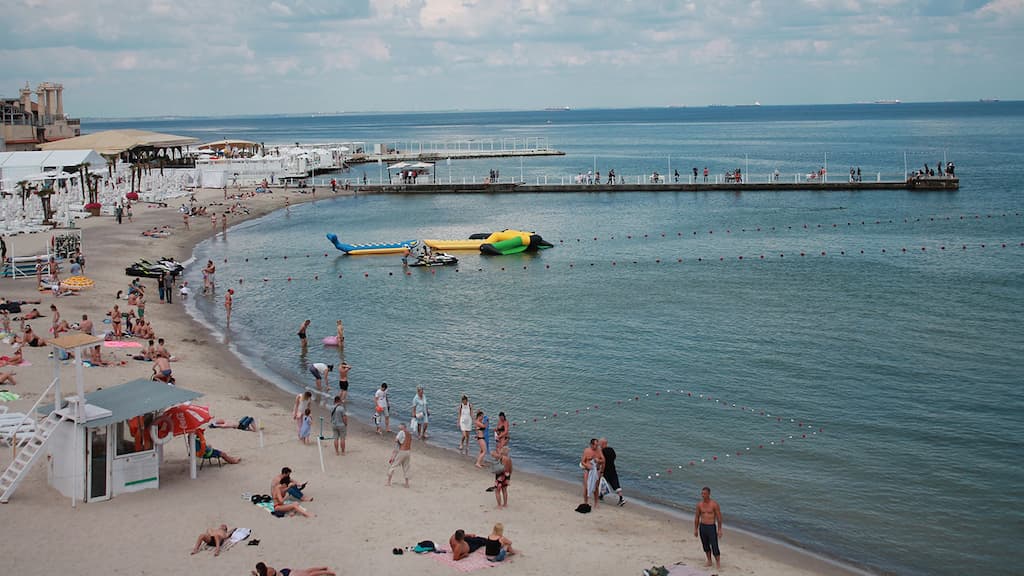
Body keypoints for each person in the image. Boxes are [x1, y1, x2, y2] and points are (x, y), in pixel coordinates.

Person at [694, 486, 723, 569]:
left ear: (709, 494)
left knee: (714, 546)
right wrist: (695, 529)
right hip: (702, 527)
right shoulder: (699, 505)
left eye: (705, 494)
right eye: (702, 493)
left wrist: (719, 529)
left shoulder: (714, 504)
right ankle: (709, 561)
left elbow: (719, 518)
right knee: (705, 545)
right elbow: (697, 517)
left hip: (711, 527)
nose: (703, 495)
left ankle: (718, 563)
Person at [599, 437, 625, 506]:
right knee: (616, 484)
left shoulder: (602, 451)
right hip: (612, 469)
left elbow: (603, 462)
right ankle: (621, 498)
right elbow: (614, 457)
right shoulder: (611, 450)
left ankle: (601, 496)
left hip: (605, 470)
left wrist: (601, 471)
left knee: (602, 483)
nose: (599, 444)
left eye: (600, 443)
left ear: (602, 443)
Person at [386, 422, 412, 487]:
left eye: (400, 426)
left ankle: (388, 482)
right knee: (406, 467)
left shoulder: (401, 432)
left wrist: (395, 452)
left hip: (402, 451)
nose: (398, 426)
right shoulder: (409, 433)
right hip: (408, 451)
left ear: (403, 427)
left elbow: (396, 440)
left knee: (393, 466)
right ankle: (407, 484)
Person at [581, 438, 604, 508]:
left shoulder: (599, 450)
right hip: (587, 470)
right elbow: (582, 461)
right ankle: (585, 502)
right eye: (595, 445)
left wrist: (598, 460)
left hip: (596, 470)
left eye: (597, 445)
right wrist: (587, 465)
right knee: (586, 487)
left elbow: (603, 460)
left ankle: (596, 503)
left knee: (596, 487)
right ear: (591, 444)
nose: (596, 446)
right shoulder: (586, 450)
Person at [253, 563, 334, 576]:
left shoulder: (268, 573)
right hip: (286, 571)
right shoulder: (268, 568)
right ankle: (322, 568)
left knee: (309, 575)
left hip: (288, 575)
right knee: (306, 571)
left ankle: (327, 572)